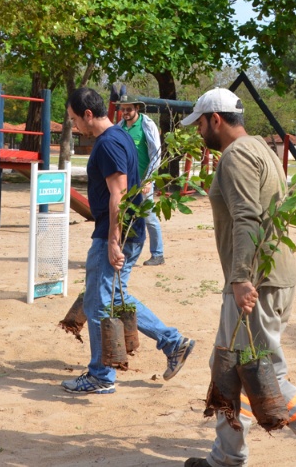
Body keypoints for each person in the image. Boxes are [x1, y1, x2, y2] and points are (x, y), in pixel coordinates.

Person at [182, 87, 296, 467]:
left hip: (255, 283)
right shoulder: (262, 149)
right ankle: (226, 457)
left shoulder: (235, 157)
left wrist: (241, 278)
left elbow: (247, 217)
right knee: (236, 368)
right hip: (270, 276)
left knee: (264, 373)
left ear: (215, 119)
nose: (198, 132)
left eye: (199, 124)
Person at [62, 87, 195, 394]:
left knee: (98, 303)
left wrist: (112, 241)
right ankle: (173, 343)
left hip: (117, 231)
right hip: (125, 230)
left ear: (88, 114)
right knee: (110, 298)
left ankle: (101, 376)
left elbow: (118, 195)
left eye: (74, 119)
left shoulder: (108, 143)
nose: (75, 126)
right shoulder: (119, 136)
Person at [117, 95, 166, 266]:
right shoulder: (120, 127)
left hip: (144, 178)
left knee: (148, 216)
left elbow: (156, 153)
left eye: (128, 109)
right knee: (125, 214)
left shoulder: (146, 124)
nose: (125, 112)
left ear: (137, 108)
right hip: (126, 180)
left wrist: (149, 180)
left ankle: (158, 254)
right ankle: (125, 252)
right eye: (122, 109)